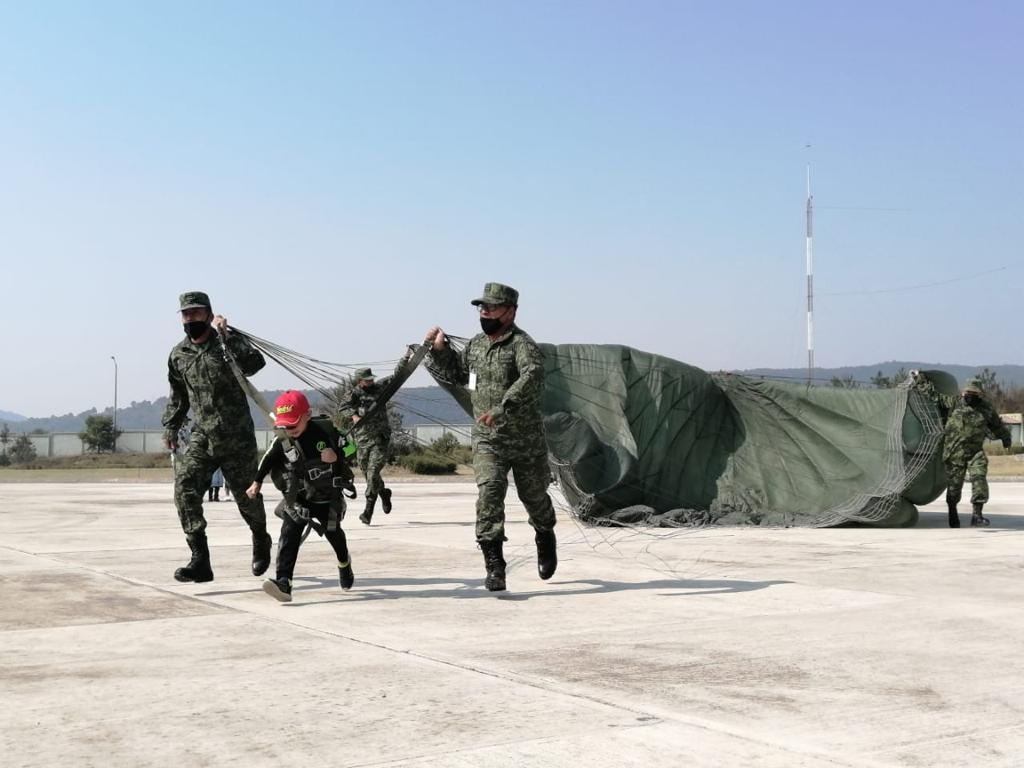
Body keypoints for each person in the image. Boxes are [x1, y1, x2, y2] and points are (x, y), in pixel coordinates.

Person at [425, 282, 557, 592]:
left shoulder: (522, 345)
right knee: (489, 494)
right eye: (481, 307)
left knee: (534, 498)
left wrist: (503, 408)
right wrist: (442, 351)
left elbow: (533, 377)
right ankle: (495, 565)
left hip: (525, 441)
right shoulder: (476, 346)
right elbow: (460, 376)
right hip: (489, 440)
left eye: (491, 307)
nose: (484, 312)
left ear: (510, 312)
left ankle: (544, 533)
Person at [161, 291, 272, 583]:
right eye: (186, 314)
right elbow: (178, 397)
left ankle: (261, 537)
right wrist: (171, 427)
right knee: (184, 488)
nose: (191, 319)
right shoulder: (178, 355)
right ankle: (200, 560)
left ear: (210, 315)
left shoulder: (225, 343)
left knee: (246, 497)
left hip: (236, 436)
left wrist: (228, 337)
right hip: (202, 436)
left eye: (197, 313)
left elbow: (255, 364)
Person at [248, 391, 355, 602]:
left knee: (334, 535)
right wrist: (256, 482)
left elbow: (353, 447)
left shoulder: (326, 431)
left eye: (293, 424)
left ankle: (344, 563)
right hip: (299, 497)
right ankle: (284, 582)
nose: (289, 429)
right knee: (288, 535)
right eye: (285, 425)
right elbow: (268, 459)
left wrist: (337, 455)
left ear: (308, 414)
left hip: (327, 497)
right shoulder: (284, 439)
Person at [914, 373, 1011, 527]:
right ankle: (952, 511)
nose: (969, 396)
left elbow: (997, 425)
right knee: (954, 487)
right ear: (963, 392)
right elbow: (934, 396)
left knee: (979, 478)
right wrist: (920, 380)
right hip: (954, 453)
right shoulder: (954, 403)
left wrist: (1006, 438)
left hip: (975, 452)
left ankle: (977, 515)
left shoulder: (986, 409)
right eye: (967, 393)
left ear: (979, 394)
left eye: (973, 394)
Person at [341, 366, 397, 525]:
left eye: (372, 378)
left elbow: (398, 375)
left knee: (373, 473)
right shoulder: (354, 394)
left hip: (380, 438)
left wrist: (407, 357)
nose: (371, 381)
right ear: (359, 381)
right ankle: (384, 493)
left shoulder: (380, 387)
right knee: (367, 473)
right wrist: (354, 416)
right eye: (367, 380)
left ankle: (368, 511)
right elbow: (342, 408)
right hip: (363, 440)